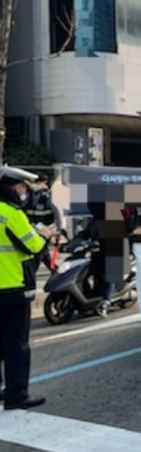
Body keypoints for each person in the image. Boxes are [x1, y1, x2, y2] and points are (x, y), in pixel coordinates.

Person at [0, 165, 54, 410]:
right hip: (13, 288)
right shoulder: (10, 213)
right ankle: (16, 394)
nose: (24, 192)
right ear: (14, 188)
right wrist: (43, 234)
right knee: (16, 344)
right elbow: (32, 246)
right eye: (22, 188)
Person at [23, 173, 61, 272]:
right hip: (33, 227)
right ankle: (55, 270)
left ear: (44, 183)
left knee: (39, 252)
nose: (36, 185)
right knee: (43, 253)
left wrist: (57, 229)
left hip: (45, 229)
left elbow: (56, 213)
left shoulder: (48, 195)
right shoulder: (29, 195)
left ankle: (51, 271)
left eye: (38, 182)